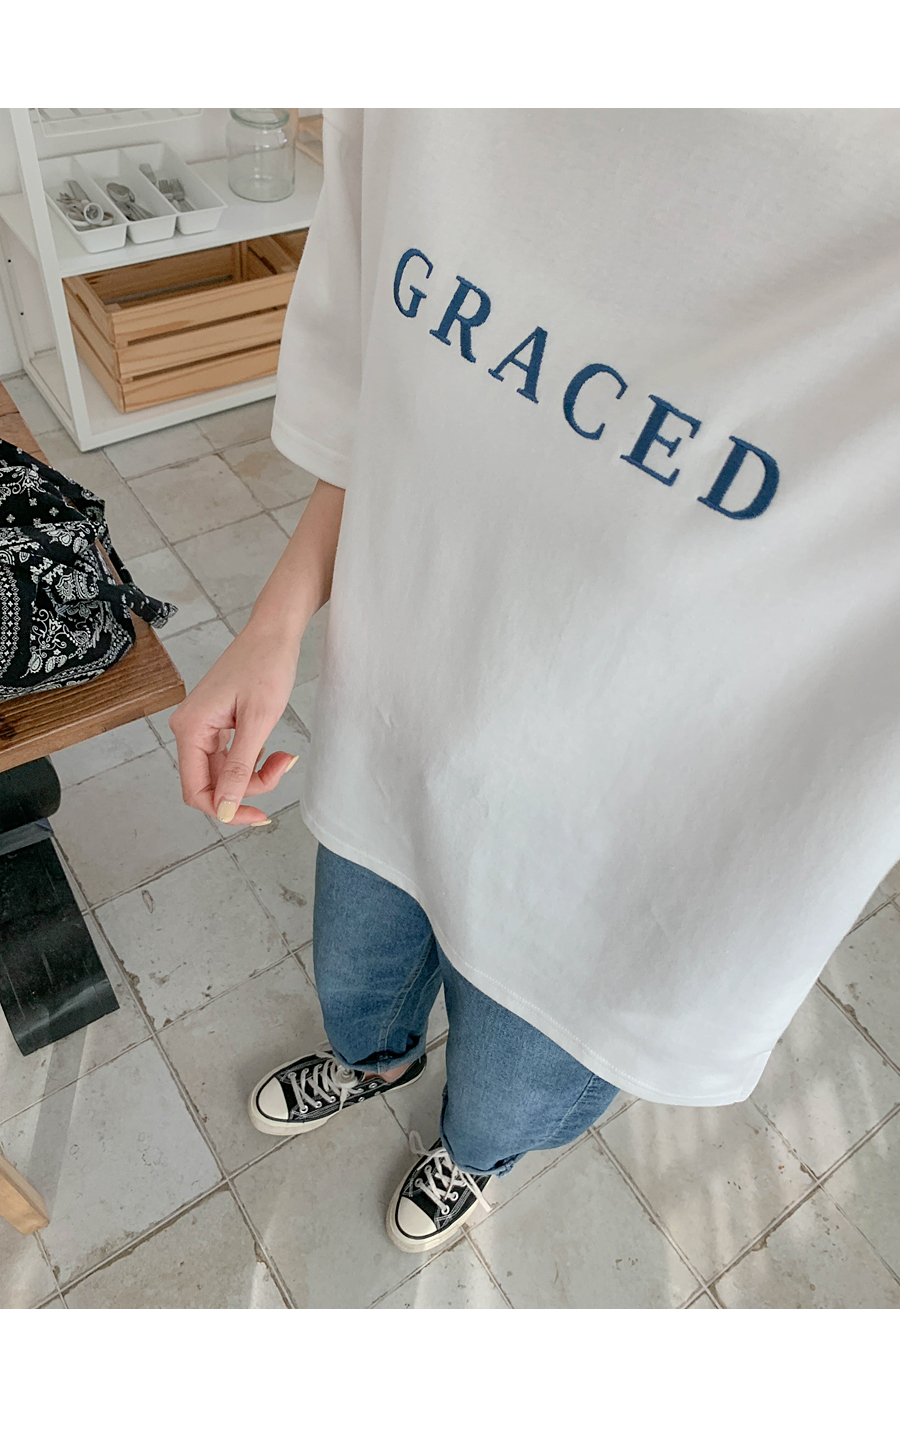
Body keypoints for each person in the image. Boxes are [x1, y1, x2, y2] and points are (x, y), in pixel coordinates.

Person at [170, 109, 900, 1253]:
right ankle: (376, 1060)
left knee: (513, 1083)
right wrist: (273, 625)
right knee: (357, 966)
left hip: (631, 824)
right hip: (399, 705)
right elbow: (390, 393)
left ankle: (475, 1154)